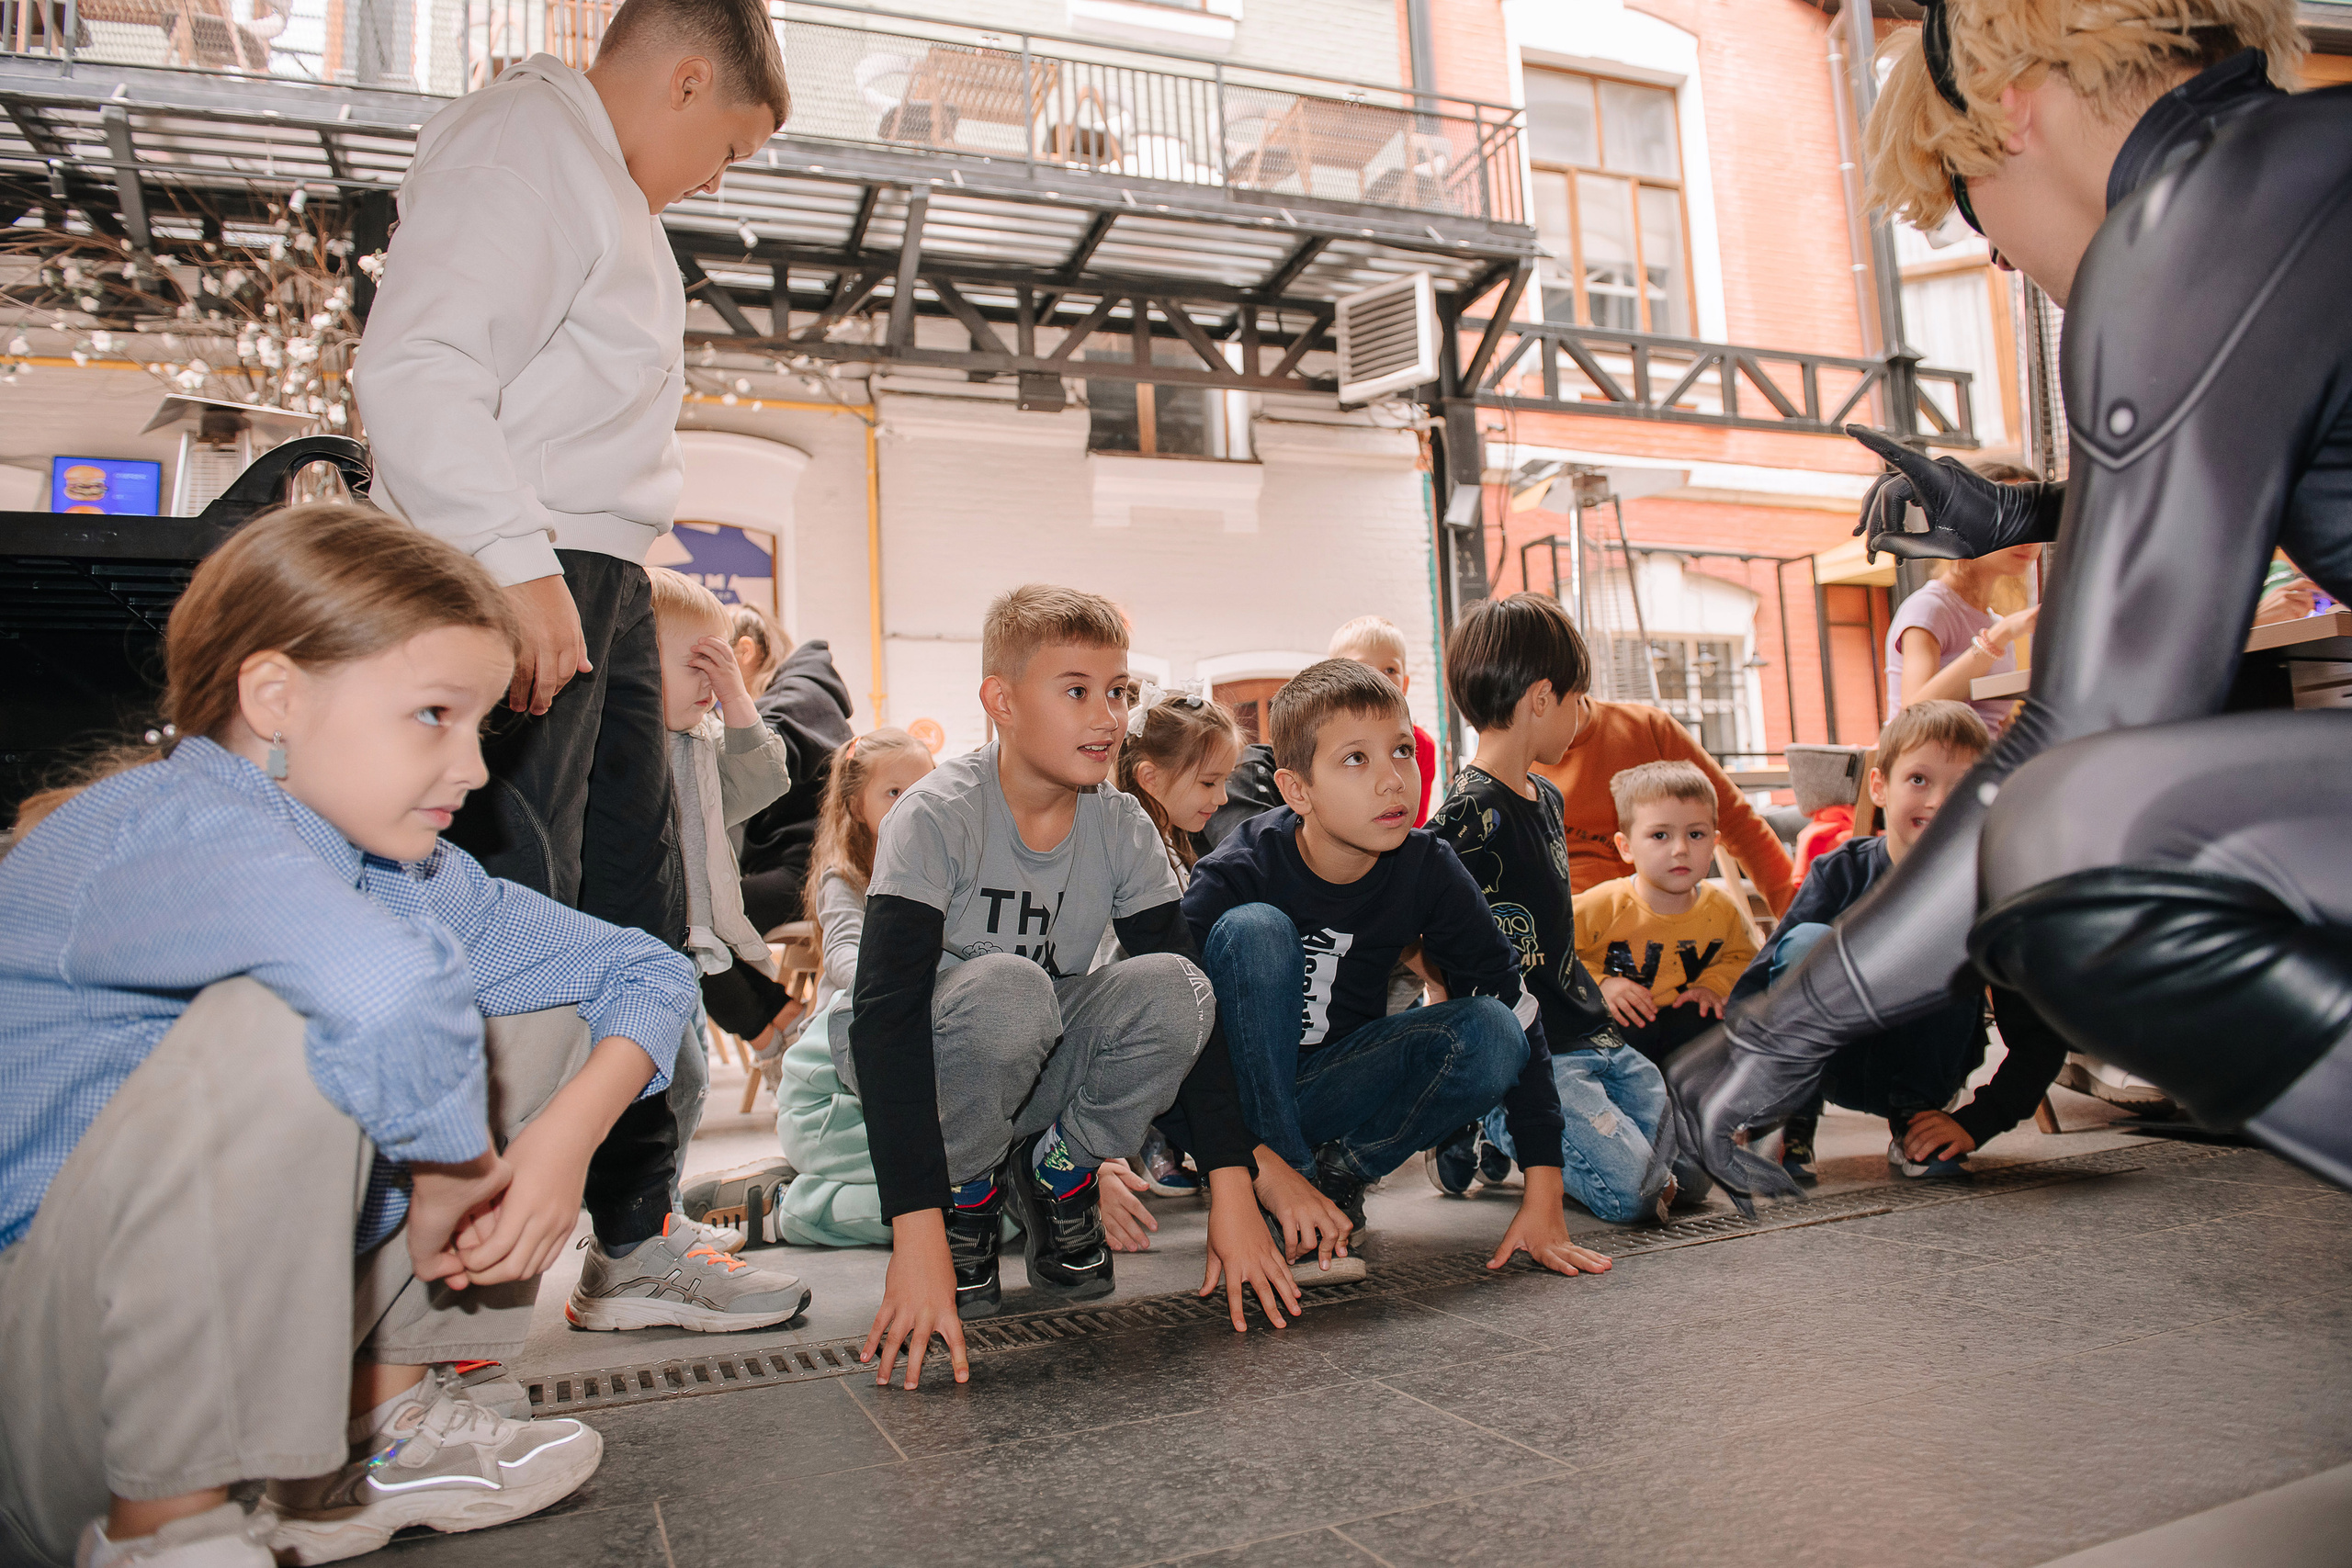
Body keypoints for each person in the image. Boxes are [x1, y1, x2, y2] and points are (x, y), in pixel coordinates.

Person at [1665, 0, 2352, 1201]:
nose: (1992, 251)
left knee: (2075, 835)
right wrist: (2034, 510)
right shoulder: (2302, 164)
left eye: (1969, 205)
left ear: (2011, 104)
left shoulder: (2188, 223)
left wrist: (1781, 1028)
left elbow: (2085, 727)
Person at [0, 506, 752, 1567]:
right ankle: (171, 1530)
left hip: (233, 1359)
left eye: (478, 726)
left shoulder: (406, 871)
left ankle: (372, 1435)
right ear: (276, 701)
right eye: (433, 715)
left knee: (525, 1019)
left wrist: (563, 1143)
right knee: (289, 1022)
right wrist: (455, 1166)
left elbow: (645, 968)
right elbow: (380, 984)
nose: (477, 769)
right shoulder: (156, 828)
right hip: (59, 1383)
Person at [356, 0, 793, 1298]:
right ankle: (439, 1296)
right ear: (688, 78)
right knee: (513, 913)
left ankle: (633, 1234)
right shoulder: (527, 143)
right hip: (510, 569)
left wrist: (592, 575)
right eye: (731, 142)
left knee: (634, 906)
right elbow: (422, 365)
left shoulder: (614, 200)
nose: (723, 175)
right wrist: (514, 557)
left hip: (591, 573)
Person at [852, 585, 1305, 1390]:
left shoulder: (1122, 825)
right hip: (934, 1072)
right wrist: (913, 1233)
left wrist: (1232, 1189)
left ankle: (1057, 1172)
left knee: (1181, 987)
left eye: (1119, 691)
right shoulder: (933, 818)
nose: (1109, 716)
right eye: (1077, 691)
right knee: (1011, 989)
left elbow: (1188, 1000)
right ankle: (964, 1194)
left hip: (1036, 1056)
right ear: (1001, 702)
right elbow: (883, 1025)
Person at [1186, 659, 1615, 1280]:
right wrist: (1254, 1165)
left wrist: (1544, 1195)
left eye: (1401, 751)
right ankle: (1286, 1202)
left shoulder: (1426, 866)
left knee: (1493, 1028)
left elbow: (1516, 1008)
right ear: (1297, 789)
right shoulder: (1238, 871)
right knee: (1258, 930)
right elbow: (1175, 1046)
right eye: (1355, 759)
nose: (1393, 780)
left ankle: (1339, 1175)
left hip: (1337, 1090)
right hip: (1237, 1113)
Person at [1424, 595, 1692, 1227]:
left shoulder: (1546, 794)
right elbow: (1418, 924)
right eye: (1580, 701)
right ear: (1542, 699)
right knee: (1638, 1193)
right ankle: (1492, 1118)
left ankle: (1562, 1132)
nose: (1585, 716)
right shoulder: (1463, 815)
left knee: (1697, 1173)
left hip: (1591, 1027)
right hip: (1536, 1051)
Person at [1730, 703, 2065, 1184]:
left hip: (1924, 1071)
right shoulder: (1839, 872)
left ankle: (1915, 1130)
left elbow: (2040, 1033)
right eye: (1919, 780)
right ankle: (1791, 1121)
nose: (1938, 801)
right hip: (1827, 1064)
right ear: (1879, 786)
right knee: (1807, 941)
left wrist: (1977, 1122)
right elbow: (1759, 984)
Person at [1102, 685, 1247, 1202]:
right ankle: (1146, 1134)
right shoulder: (1137, 847)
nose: (1224, 797)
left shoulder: (1174, 844)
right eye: (1210, 781)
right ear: (1149, 778)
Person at [1532, 693, 1795, 917]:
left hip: (1661, 922)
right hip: (1556, 937)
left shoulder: (1647, 728)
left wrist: (1803, 918)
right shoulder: (1501, 749)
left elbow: (1739, 823)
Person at [1573, 761, 1758, 1070]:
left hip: (1684, 1029)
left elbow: (1745, 959)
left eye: (1696, 835)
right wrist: (1601, 984)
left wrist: (1713, 986)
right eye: (1660, 836)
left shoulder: (1722, 909)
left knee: (1713, 1021)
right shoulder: (1601, 906)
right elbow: (1552, 954)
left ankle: (1701, 1109)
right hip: (1619, 1032)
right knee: (1618, 1028)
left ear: (1714, 843)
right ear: (1626, 846)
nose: (1680, 849)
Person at [1883, 461, 2041, 736]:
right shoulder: (1930, 609)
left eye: (2036, 522)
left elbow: (1992, 725)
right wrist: (1999, 637)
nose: (2029, 538)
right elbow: (1913, 717)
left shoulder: (1995, 621)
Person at [732, 606, 859, 934]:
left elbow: (752, 771)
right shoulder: (797, 694)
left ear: (744, 651)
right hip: (801, 866)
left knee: (689, 917)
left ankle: (769, 990)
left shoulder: (796, 697)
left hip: (806, 872)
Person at [1328, 615, 1438, 827]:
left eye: (1390, 670)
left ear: (1404, 684)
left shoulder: (1423, 746)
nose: (1378, 680)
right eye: (1363, 669)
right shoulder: (1329, 744)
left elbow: (1414, 823)